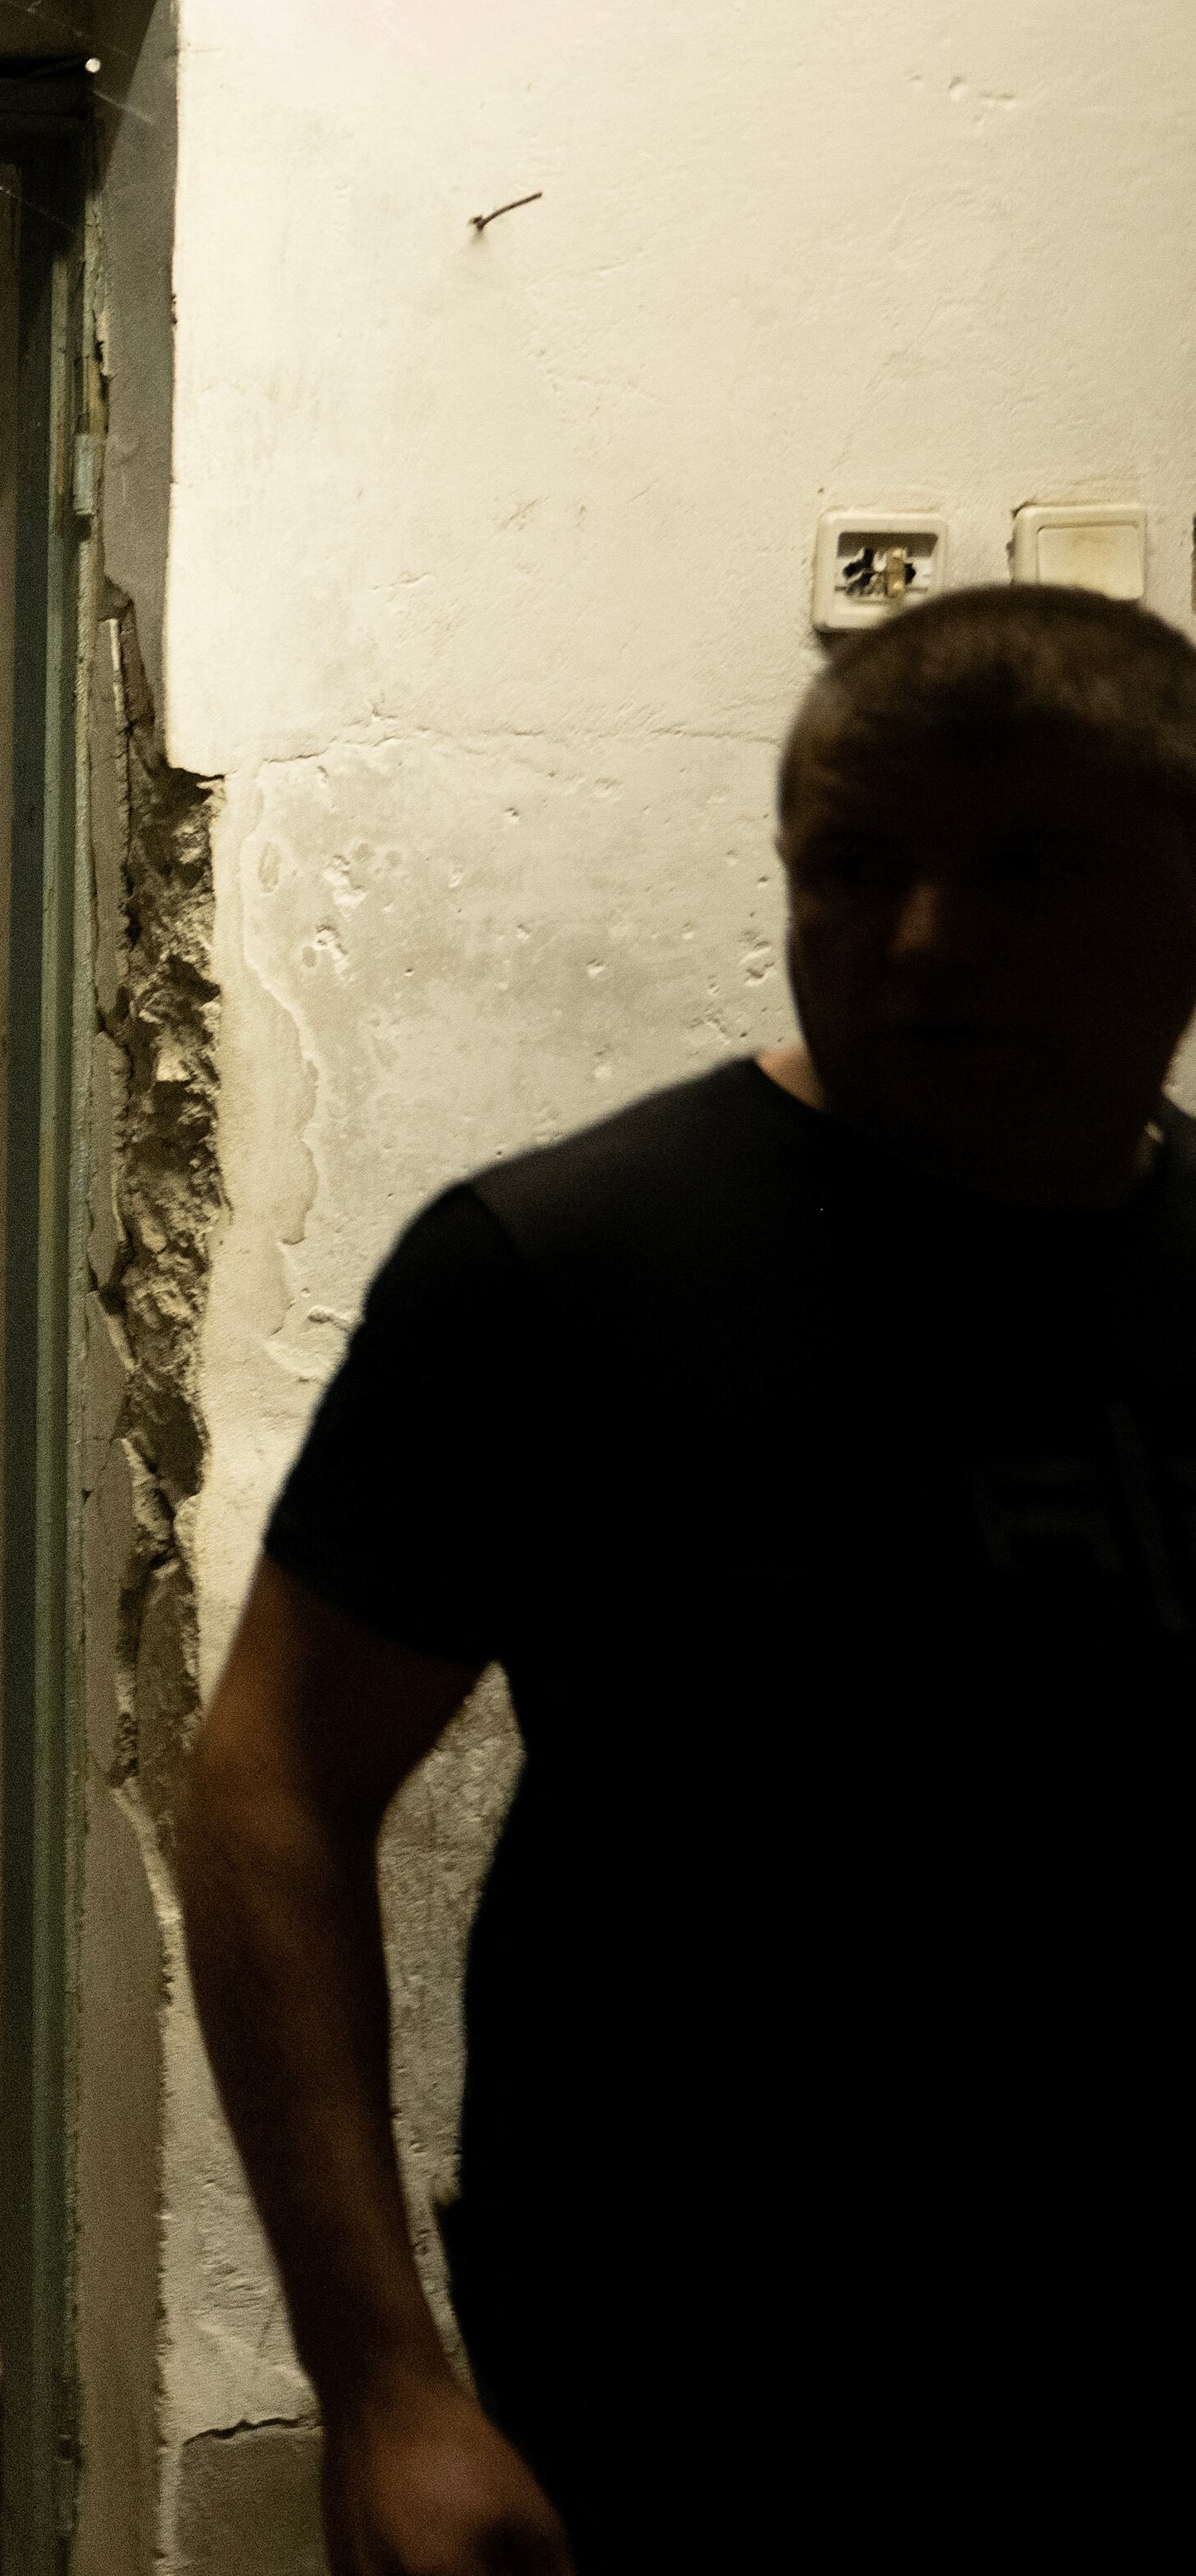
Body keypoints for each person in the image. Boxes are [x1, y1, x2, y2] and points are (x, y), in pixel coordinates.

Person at [181, 585, 1196, 2574]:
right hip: (699, 2378)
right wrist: (384, 2378)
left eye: (1023, 869)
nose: (920, 939)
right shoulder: (566, 1271)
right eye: (855, 866)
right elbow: (273, 1784)